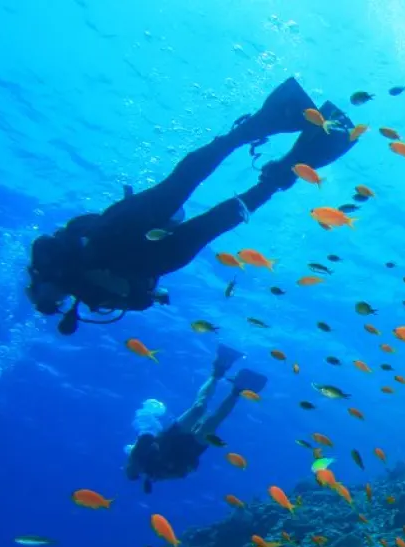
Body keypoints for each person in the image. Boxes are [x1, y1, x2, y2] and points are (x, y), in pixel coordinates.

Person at [26, 78, 357, 335]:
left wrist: (71, 280)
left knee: (184, 182)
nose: (52, 300)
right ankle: (288, 166)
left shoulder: (52, 262)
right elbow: (140, 299)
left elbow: (63, 240)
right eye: (52, 304)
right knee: (218, 218)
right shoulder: (90, 298)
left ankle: (263, 126)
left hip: (121, 230)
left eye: (43, 299)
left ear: (37, 286)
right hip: (155, 257)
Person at [125, 345, 265, 493]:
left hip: (173, 435)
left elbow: (147, 437)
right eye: (134, 472)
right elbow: (183, 473)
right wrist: (182, 469)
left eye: (130, 469)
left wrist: (145, 449)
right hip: (190, 451)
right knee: (213, 421)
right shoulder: (155, 474)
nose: (133, 470)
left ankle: (219, 369)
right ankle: (237, 390)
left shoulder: (137, 455)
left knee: (198, 408)